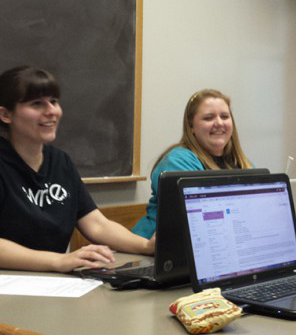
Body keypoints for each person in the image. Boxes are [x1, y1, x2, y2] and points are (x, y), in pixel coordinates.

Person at [0, 66, 155, 273]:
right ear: (5, 114)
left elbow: (96, 224)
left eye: (54, 102)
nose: (51, 111)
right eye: (37, 104)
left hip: (51, 283)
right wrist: (59, 261)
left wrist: (146, 246)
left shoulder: (60, 162)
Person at [132, 89, 252, 239]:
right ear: (191, 127)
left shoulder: (241, 163)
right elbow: (204, 219)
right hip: (153, 249)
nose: (219, 123)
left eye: (225, 116)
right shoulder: (177, 161)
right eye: (209, 118)